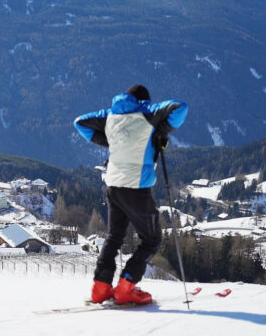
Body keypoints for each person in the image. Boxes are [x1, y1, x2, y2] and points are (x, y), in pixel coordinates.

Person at [74, 84, 187, 305]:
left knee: (115, 236)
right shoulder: (147, 115)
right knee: (152, 240)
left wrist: (110, 140)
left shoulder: (111, 116)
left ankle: (100, 288)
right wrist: (157, 124)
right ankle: (126, 287)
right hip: (137, 190)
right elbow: (180, 108)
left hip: (113, 187)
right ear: (143, 100)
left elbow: (80, 123)